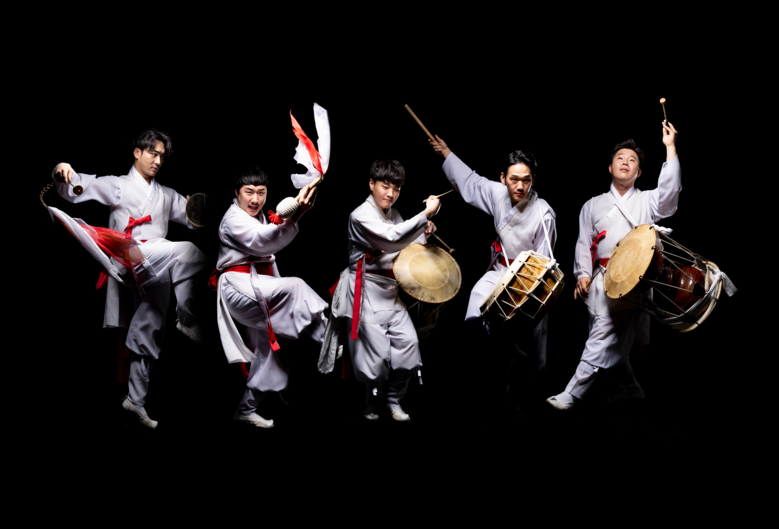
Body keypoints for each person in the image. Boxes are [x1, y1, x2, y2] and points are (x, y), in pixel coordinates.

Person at [52, 128, 208, 429]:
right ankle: (187, 319)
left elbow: (192, 218)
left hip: (156, 266)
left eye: (162, 156)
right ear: (137, 152)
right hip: (130, 257)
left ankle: (135, 401)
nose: (158, 160)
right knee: (190, 253)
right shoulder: (118, 185)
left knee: (150, 331)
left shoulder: (166, 194)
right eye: (153, 153)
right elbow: (78, 187)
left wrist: (198, 209)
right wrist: (62, 171)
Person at [546, 121, 680, 410]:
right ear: (610, 167)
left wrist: (670, 148)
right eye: (620, 158)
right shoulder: (592, 205)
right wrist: (582, 274)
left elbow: (669, 195)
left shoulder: (648, 200)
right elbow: (583, 243)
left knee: (603, 334)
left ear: (639, 172)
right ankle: (631, 389)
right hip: (600, 279)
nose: (626, 162)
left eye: (632, 160)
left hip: (634, 281)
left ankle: (572, 393)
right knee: (612, 337)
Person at [429, 136, 556, 415]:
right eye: (514, 179)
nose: (520, 186)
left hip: (530, 283)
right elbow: (472, 182)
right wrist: (447, 153)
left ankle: (522, 396)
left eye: (526, 180)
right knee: (476, 305)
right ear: (503, 178)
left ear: (533, 180)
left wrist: (523, 293)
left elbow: (543, 265)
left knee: (531, 345)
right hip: (500, 270)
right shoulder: (498, 193)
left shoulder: (544, 213)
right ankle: (505, 355)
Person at [323, 160, 439, 422]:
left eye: (396, 188)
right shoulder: (359, 215)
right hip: (365, 291)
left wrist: (425, 230)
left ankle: (394, 399)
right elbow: (392, 238)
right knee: (375, 358)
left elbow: (408, 245)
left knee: (409, 345)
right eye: (385, 186)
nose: (391, 193)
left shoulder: (394, 214)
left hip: (391, 291)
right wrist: (425, 215)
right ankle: (372, 404)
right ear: (371, 184)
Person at [213, 167, 326, 428]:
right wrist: (297, 213)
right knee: (296, 287)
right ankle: (326, 340)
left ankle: (246, 409)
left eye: (261, 192)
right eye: (249, 192)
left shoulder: (260, 216)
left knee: (270, 351)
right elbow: (263, 240)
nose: (255, 199)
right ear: (236, 193)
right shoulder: (233, 219)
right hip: (238, 288)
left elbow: (268, 252)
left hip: (259, 286)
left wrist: (299, 212)